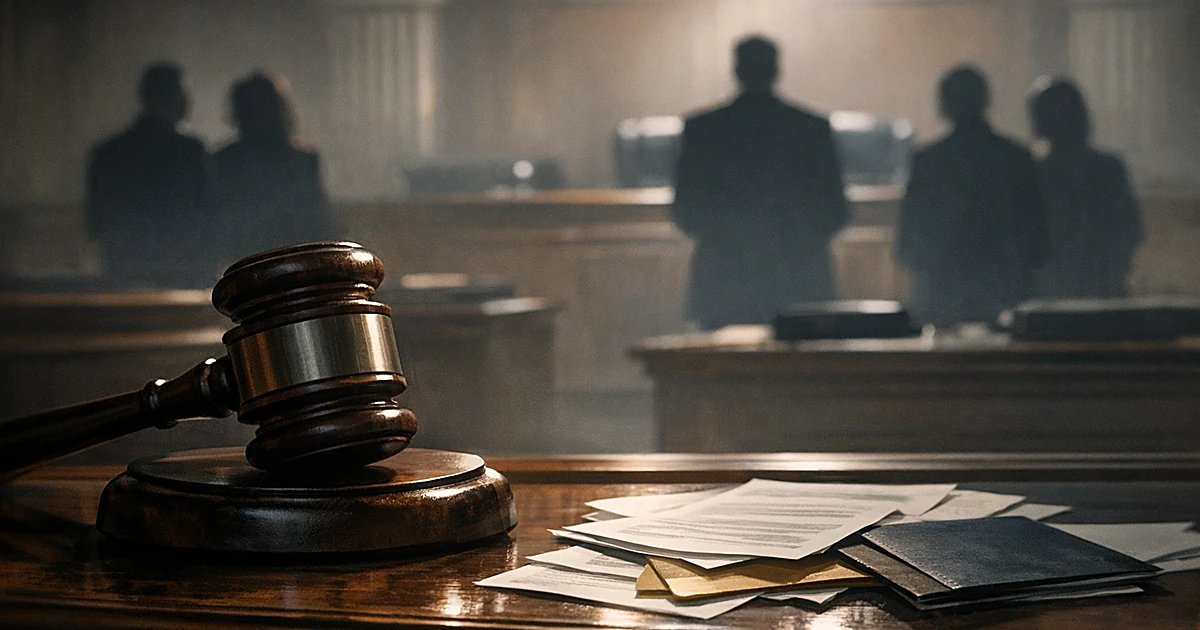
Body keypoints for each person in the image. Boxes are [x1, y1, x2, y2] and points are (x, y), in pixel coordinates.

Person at [672, 36, 847, 329]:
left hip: (723, 282)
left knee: (722, 358)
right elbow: (835, 212)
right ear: (777, 70)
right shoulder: (811, 129)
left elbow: (686, 215)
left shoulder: (702, 130)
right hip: (800, 280)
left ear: (736, 71)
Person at [896, 66, 1050, 326]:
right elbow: (1039, 240)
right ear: (986, 101)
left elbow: (909, 244)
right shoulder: (1016, 159)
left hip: (942, 297)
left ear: (944, 105)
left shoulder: (928, 162)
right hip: (1007, 292)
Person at [87, 63, 213, 287]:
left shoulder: (108, 153)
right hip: (183, 274)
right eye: (185, 94)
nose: (189, 101)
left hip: (125, 273)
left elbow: (96, 222)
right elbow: (207, 217)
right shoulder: (190, 152)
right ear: (175, 97)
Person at [1029, 78, 1142, 299]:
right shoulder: (1109, 168)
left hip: (1073, 290)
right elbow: (1132, 230)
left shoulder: (1037, 174)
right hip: (1091, 288)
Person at [214, 73, 333, 262]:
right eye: (254, 110)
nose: (261, 119)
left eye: (264, 110)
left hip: (296, 259)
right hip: (244, 262)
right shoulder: (225, 162)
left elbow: (318, 220)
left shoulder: (304, 161)